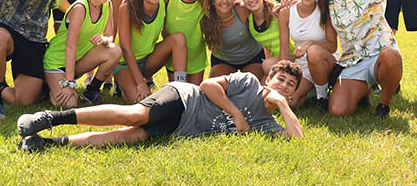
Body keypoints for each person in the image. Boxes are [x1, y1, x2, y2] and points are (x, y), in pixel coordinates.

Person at [16, 60, 304, 151]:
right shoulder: (250, 82)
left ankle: (49, 143)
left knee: (130, 136)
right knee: (136, 115)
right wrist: (237, 114)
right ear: (269, 77)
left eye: (289, 86)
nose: (283, 86)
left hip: (180, 129)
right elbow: (208, 85)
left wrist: (283, 105)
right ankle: (50, 117)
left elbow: (296, 139)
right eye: (280, 80)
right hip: (183, 98)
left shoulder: (268, 123)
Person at [42, 0, 121, 107]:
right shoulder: (80, 8)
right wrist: (70, 81)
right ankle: (46, 87)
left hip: (78, 62)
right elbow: (70, 46)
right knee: (69, 103)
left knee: (114, 51)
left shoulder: (108, 4)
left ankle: (92, 91)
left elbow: (109, 36)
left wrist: (104, 39)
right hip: (57, 62)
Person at [114, 0, 188, 102]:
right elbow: (125, 48)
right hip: (124, 64)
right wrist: (140, 83)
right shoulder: (126, 8)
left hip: (148, 60)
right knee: (139, 100)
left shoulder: (164, 1)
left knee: (178, 38)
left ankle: (180, 87)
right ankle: (122, 86)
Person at [278, 0, 337, 112]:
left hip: (322, 62)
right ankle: (309, 93)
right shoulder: (286, 10)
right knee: (268, 65)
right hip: (300, 63)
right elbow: (284, 47)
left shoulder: (325, 11)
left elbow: (333, 46)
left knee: (313, 51)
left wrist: (310, 43)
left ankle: (321, 97)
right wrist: (284, 75)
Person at [201, 0, 265, 80]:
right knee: (214, 87)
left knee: (253, 88)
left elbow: (265, 8)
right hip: (223, 60)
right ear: (212, 0)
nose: (224, 0)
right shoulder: (206, 18)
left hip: (253, 57)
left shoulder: (242, 10)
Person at [163, 0, 210, 85]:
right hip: (174, 58)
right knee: (177, 93)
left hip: (196, 58)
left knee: (193, 96)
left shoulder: (204, 4)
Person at [237, 0, 293, 72]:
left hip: (294, 57)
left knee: (267, 65)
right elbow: (267, 47)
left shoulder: (278, 11)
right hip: (276, 60)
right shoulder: (250, 20)